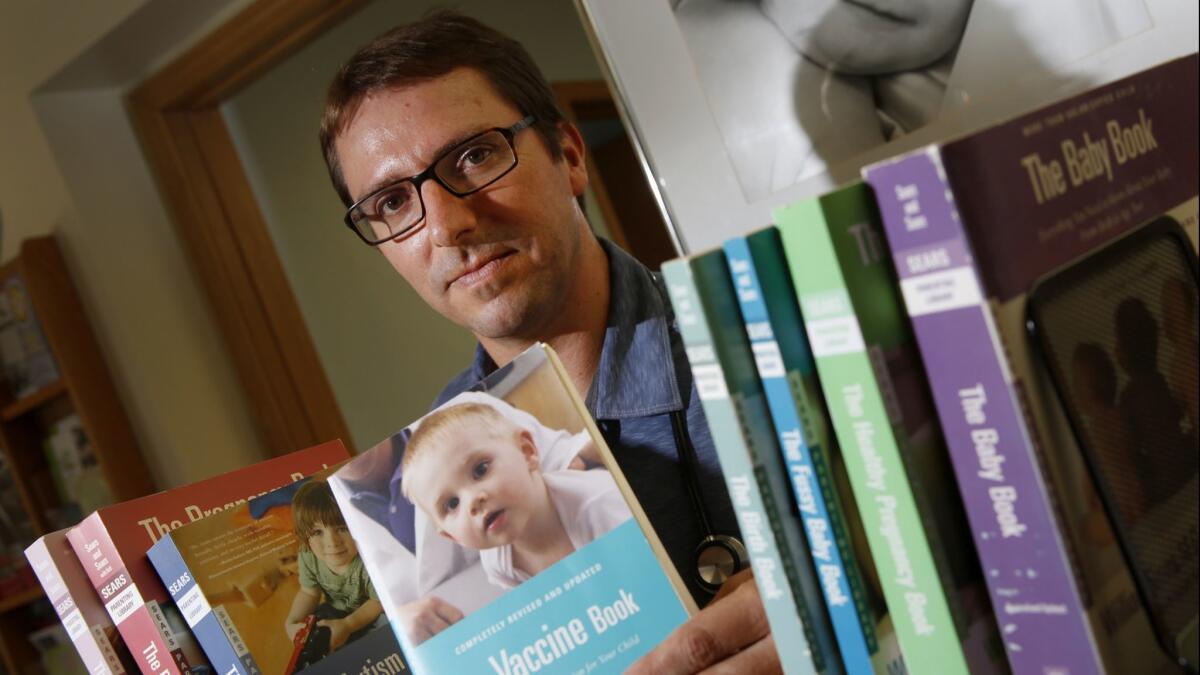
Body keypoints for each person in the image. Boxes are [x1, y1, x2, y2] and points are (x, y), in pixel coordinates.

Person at [318, 11, 768, 672]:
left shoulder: (766, 332)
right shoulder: (435, 456)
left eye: (474, 156)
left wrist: (844, 595)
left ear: (571, 156)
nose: (447, 225)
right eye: (391, 203)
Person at [402, 397, 630, 591]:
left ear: (527, 451)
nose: (472, 501)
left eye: (480, 470)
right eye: (452, 504)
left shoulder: (597, 504)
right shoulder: (497, 563)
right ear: (452, 537)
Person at [285, 480, 384, 652]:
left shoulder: (369, 559)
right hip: (334, 610)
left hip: (370, 613)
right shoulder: (308, 555)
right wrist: (292, 622)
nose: (332, 542)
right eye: (317, 532)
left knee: (388, 626)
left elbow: (378, 601)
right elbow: (309, 592)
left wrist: (348, 625)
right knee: (314, 633)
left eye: (342, 528)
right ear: (304, 536)